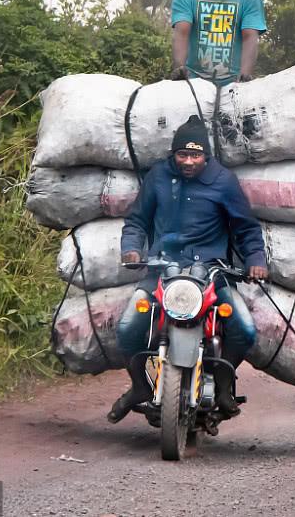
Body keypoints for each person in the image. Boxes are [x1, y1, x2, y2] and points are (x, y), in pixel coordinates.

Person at [107, 116, 268, 423]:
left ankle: (223, 387)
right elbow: (137, 221)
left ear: (206, 155)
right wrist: (131, 248)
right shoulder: (158, 176)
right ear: (174, 154)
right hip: (161, 270)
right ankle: (140, 386)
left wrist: (256, 261)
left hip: (211, 273)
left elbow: (246, 228)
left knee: (244, 330)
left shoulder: (223, 181)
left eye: (196, 155)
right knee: (127, 327)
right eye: (183, 155)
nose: (189, 161)